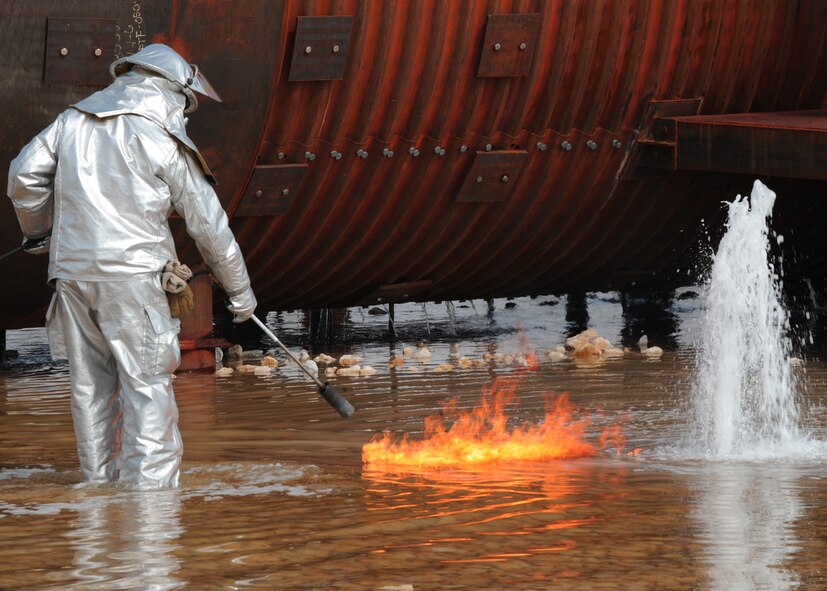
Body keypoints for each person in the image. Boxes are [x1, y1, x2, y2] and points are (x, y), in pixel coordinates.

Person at [6, 44, 256, 489]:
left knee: (90, 390)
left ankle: (98, 496)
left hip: (72, 277)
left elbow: (23, 176)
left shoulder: (71, 120)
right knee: (147, 386)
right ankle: (153, 510)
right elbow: (209, 226)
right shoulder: (162, 136)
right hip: (134, 280)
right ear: (170, 91)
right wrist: (241, 293)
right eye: (185, 102)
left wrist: (39, 230)